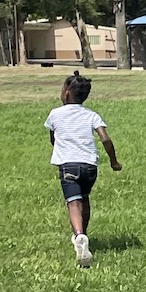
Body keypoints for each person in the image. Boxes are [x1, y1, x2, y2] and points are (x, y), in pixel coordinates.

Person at [44, 70, 122, 268]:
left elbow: (53, 138)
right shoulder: (91, 115)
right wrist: (114, 161)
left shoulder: (55, 114)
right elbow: (105, 138)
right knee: (84, 199)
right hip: (89, 166)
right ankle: (83, 236)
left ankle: (79, 236)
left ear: (67, 93)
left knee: (73, 203)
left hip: (68, 165)